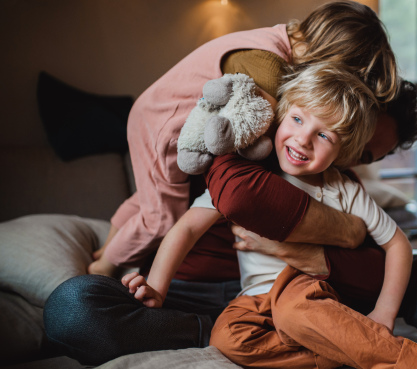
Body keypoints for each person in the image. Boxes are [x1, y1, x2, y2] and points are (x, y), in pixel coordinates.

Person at [120, 64, 417, 369]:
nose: (304, 139)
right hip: (254, 297)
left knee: (295, 313)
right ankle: (352, 347)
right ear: (279, 115)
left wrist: (385, 312)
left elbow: (398, 245)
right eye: (297, 118)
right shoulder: (254, 174)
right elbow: (185, 230)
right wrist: (157, 286)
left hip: (304, 288)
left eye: (324, 134)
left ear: (344, 151)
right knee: (227, 340)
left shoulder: (344, 188)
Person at [87, 0, 398, 276]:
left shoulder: (275, 38)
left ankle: (107, 246)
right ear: (331, 58)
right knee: (162, 217)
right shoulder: (268, 66)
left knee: (150, 195)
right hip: (165, 128)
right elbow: (268, 126)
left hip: (152, 113)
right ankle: (105, 266)